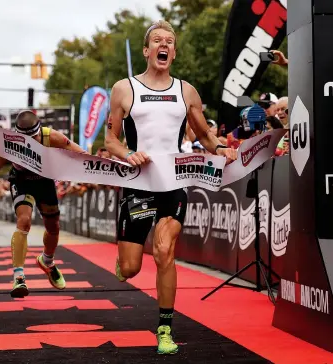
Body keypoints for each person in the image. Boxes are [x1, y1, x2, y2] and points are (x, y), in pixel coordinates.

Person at [105, 20, 237, 355]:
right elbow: (110, 141)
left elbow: (205, 136)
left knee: (165, 250)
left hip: (174, 183)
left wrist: (223, 150)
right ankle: (123, 260)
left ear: (173, 53)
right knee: (132, 268)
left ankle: (164, 328)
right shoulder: (124, 88)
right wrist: (130, 154)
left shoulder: (186, 91)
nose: (164, 45)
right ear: (147, 51)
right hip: (138, 184)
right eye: (157, 41)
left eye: (170, 41)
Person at [0, 111, 87, 298]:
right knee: (24, 220)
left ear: (39, 132)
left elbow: (84, 156)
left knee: (53, 226)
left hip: (44, 182)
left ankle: (47, 261)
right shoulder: (9, 145)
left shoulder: (53, 137)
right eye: (25, 141)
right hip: (22, 182)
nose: (30, 145)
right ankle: (18, 277)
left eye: (33, 140)